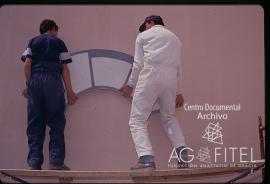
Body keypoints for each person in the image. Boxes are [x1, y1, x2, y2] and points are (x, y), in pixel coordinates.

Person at [121, 15, 188, 171]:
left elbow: (138, 64)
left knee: (137, 120)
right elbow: (179, 68)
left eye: (145, 25)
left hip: (150, 75)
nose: (144, 28)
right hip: (171, 79)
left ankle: (146, 159)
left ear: (150, 23)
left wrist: (130, 84)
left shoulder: (143, 36)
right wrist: (179, 92)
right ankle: (183, 157)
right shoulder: (176, 39)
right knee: (169, 117)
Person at [21, 19, 78, 170]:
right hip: (52, 79)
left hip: (35, 79)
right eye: (57, 30)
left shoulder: (33, 41)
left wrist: (29, 85)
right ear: (53, 28)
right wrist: (70, 91)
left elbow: (27, 64)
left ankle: (34, 162)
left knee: (35, 122)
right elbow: (64, 68)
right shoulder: (58, 42)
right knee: (57, 122)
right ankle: (56, 162)